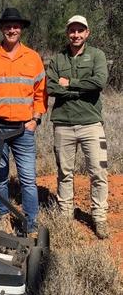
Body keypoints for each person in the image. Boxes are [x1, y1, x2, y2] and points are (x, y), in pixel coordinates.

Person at [0, 8, 47, 235]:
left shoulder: (33, 58)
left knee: (28, 180)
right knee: (0, 177)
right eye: (7, 26)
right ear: (1, 29)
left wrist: (36, 119)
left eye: (15, 26)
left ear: (21, 29)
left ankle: (30, 225)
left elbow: (41, 93)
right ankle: (2, 218)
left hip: (23, 129)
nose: (11, 30)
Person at [46, 15, 110, 239]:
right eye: (72, 31)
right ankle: (65, 215)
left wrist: (70, 83)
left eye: (80, 31)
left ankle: (99, 217)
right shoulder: (57, 59)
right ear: (67, 33)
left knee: (99, 172)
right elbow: (51, 87)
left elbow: (99, 82)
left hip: (91, 124)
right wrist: (81, 88)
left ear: (87, 33)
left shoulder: (97, 55)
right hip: (63, 124)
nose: (76, 35)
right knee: (65, 172)